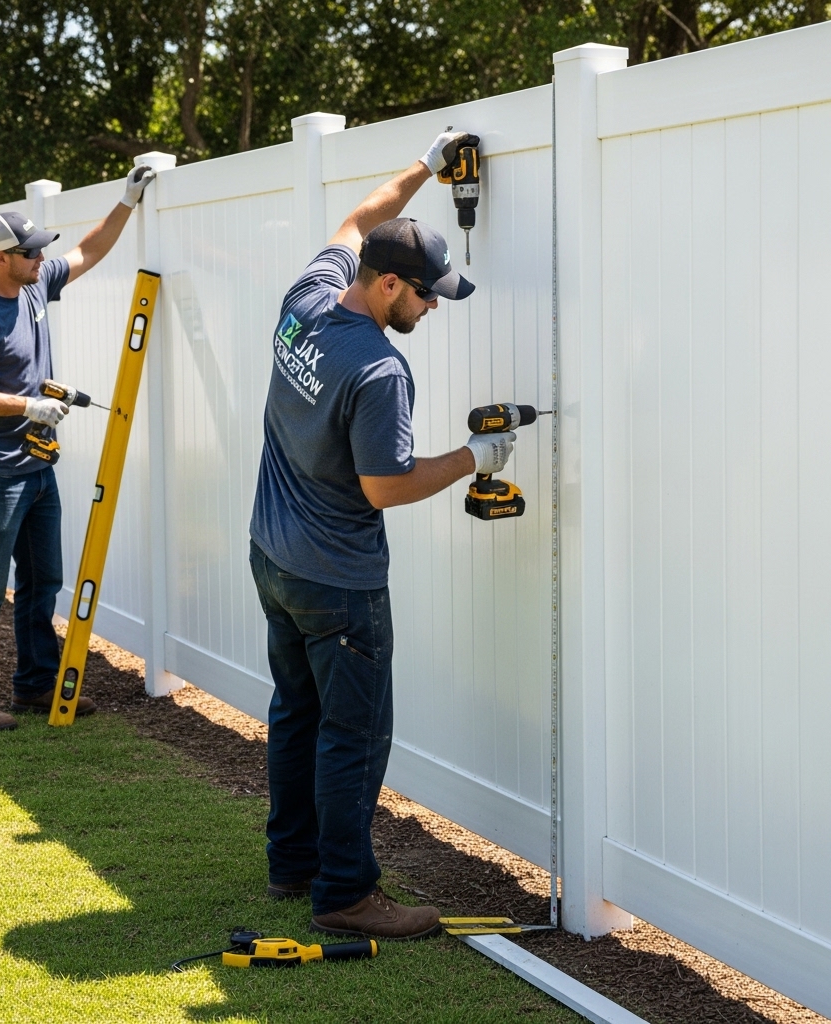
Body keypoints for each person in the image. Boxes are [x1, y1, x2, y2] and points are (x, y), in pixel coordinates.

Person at [248, 132, 516, 940]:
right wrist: (477, 456)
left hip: (274, 555)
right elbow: (385, 486)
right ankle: (346, 894)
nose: (433, 307)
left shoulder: (311, 294)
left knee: (297, 713)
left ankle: (292, 863)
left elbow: (361, 215)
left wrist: (426, 170)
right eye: (427, 295)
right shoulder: (378, 369)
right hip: (338, 581)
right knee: (354, 736)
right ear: (389, 283)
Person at [0, 166, 154, 730]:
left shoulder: (33, 286)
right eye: (30, 252)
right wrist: (26, 405)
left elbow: (87, 252)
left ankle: (35, 685)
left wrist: (126, 203)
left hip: (37, 466)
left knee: (43, 583)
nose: (41, 258)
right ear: (1, 258)